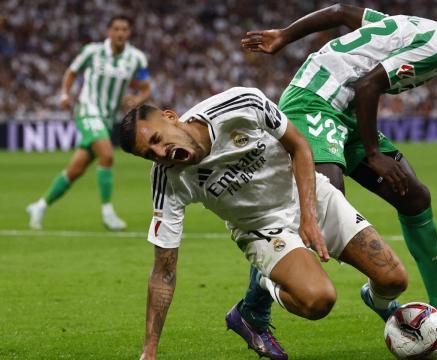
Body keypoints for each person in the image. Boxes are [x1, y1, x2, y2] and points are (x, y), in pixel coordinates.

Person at [239, 3, 437, 339]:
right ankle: (253, 309)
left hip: (345, 111)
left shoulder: (419, 28)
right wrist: (374, 154)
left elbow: (342, 12)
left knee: (414, 196)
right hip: (314, 101)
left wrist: (285, 36)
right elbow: (369, 85)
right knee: (323, 198)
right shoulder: (436, 49)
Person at [118, 87, 408, 360]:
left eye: (156, 140)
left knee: (395, 280)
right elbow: (163, 271)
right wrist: (150, 351)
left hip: (309, 193)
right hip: (262, 229)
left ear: (171, 117)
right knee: (319, 301)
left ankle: (380, 303)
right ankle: (264, 283)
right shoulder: (167, 179)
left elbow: (299, 146)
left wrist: (308, 216)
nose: (160, 154)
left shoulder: (239, 104)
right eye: (149, 155)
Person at [27, 15, 151, 231]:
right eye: (116, 29)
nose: (120, 33)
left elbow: (146, 86)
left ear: (129, 33)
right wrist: (65, 94)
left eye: (124, 29)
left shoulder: (136, 58)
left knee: (75, 170)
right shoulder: (92, 52)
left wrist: (137, 100)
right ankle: (107, 211)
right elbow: (71, 72)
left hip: (107, 117)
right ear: (108, 31)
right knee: (107, 155)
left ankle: (40, 205)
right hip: (87, 108)